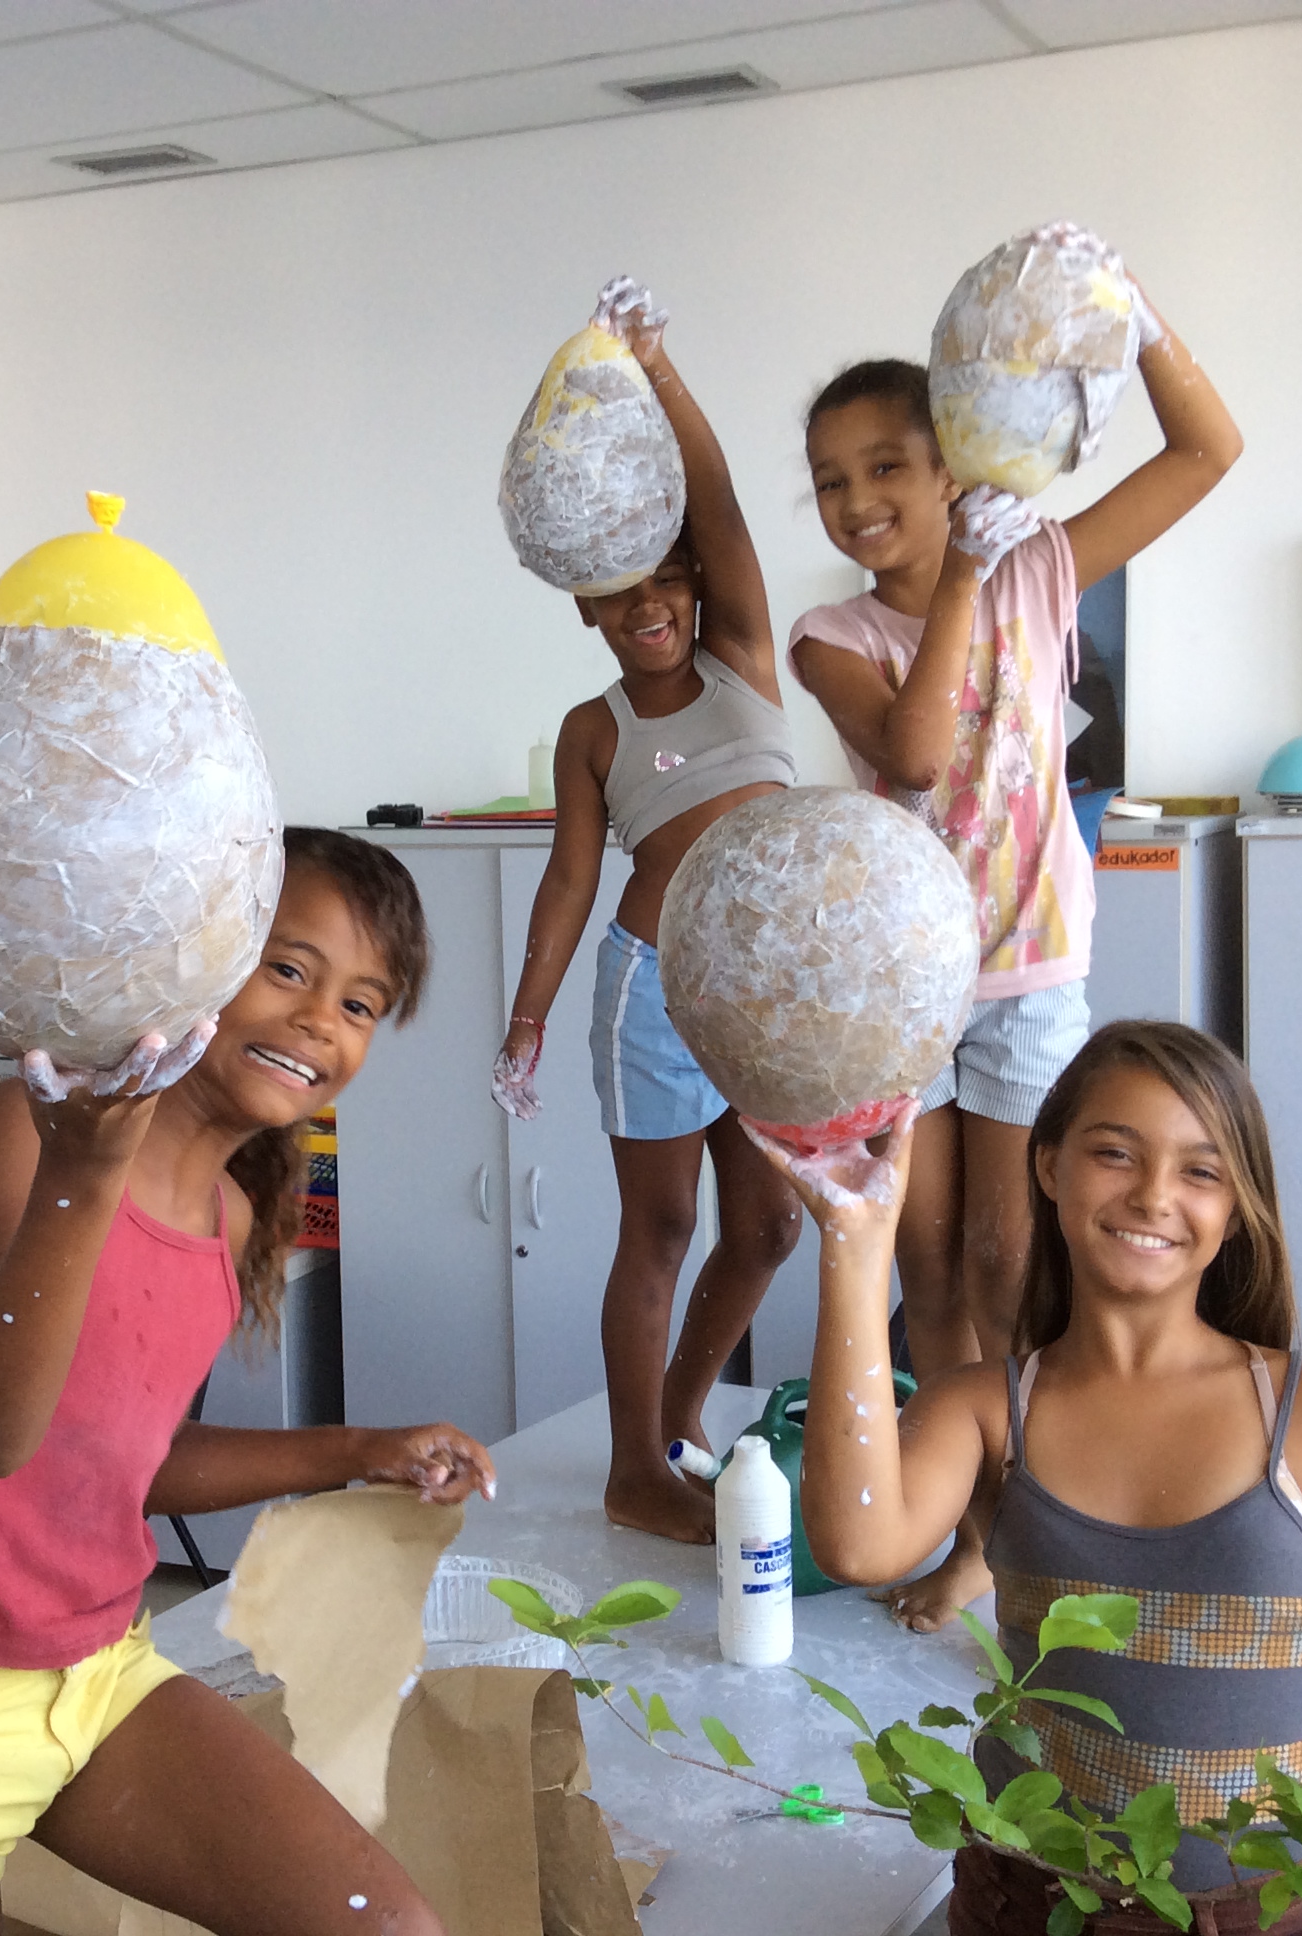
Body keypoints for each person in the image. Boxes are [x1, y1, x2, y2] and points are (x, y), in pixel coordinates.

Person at [0, 827, 491, 1936]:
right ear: (193, 960)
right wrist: (83, 1173)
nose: (319, 1020)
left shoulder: (228, 1217)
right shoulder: (27, 1132)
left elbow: (126, 1463)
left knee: (388, 1926)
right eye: (287, 968)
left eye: (360, 1004)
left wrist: (360, 1450)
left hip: (93, 1674)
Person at [761, 1022, 1302, 1936]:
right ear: (1048, 1167)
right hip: (1025, 1909)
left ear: (1237, 1207)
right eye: (1114, 1153)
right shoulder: (987, 1411)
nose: (1153, 1195)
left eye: (1201, 1171)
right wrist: (855, 1241)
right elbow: (855, 1542)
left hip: (1264, 1921)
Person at [790, 269, 1242, 1625]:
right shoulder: (832, 635)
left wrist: (1134, 316)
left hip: (1032, 978)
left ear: (953, 465)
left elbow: (1209, 449)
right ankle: (972, 1529)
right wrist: (965, 574)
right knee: (928, 1275)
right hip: (909, 992)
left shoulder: (1043, 569)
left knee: (1010, 1264)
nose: (857, 500)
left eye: (888, 465)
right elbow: (918, 752)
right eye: (829, 481)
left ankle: (1031, 1531)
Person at [491, 277, 803, 1545]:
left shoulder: (744, 659)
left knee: (770, 1225)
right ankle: (634, 1468)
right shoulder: (595, 728)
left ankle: (676, 1421)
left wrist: (660, 366)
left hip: (763, 994)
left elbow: (716, 503)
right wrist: (525, 1020)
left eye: (669, 580)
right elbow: (571, 879)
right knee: (664, 1224)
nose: (652, 606)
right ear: (585, 604)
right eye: (622, 593)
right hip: (652, 988)